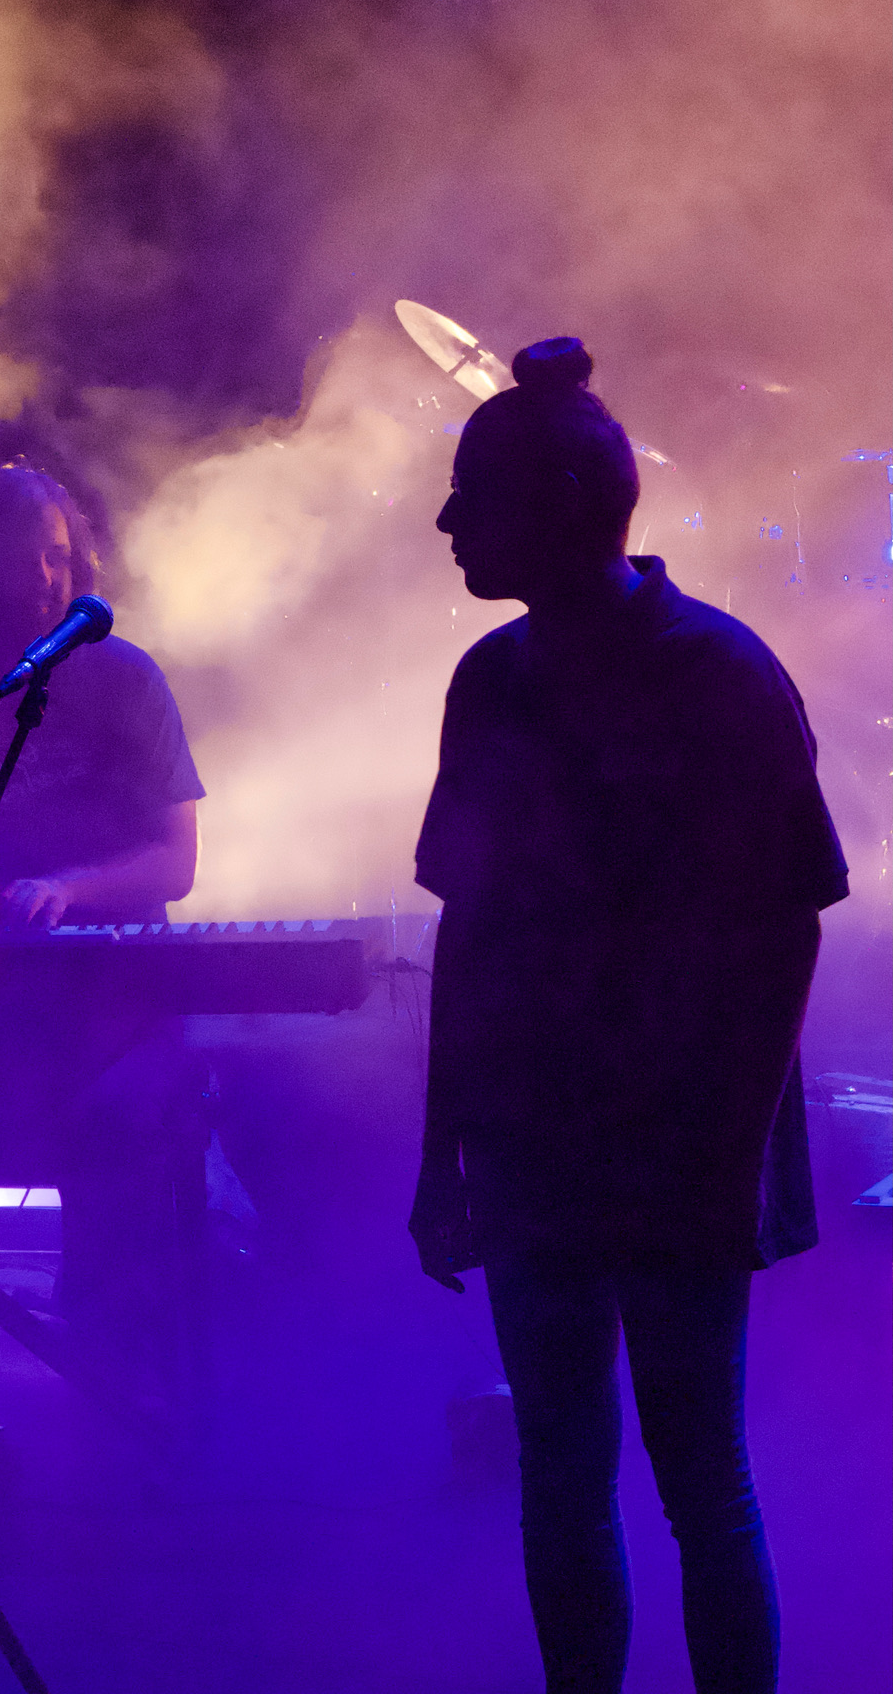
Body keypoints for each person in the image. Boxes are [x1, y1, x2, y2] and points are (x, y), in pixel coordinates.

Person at [407, 337, 848, 1694]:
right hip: (564, 1141)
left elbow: (780, 934)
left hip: (669, 1145)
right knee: (611, 1474)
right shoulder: (498, 679)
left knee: (674, 1476)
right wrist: (440, 1154)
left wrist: (723, 1155)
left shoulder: (716, 674)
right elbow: (468, 932)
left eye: (473, 491)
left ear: (556, 503)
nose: (446, 519)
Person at [0, 464, 205, 1365]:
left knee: (119, 1124)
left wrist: (70, 889)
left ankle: (113, 1355)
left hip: (120, 1013)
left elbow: (176, 862)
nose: (45, 581)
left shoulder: (124, 678)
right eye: (21, 561)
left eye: (56, 557)